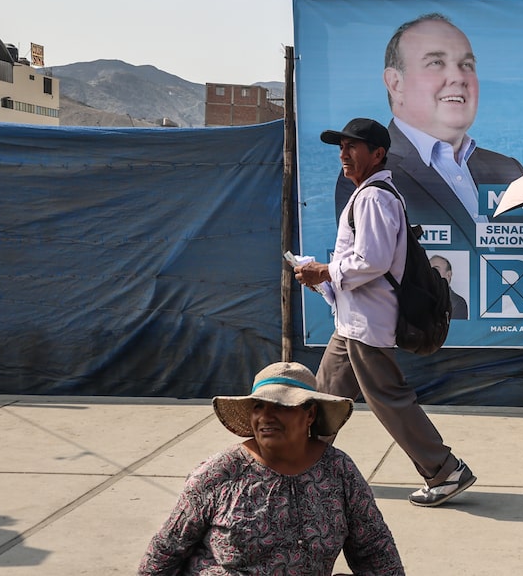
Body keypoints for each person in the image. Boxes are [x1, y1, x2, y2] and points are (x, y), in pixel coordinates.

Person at [296, 117, 476, 508]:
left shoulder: (374, 197)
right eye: (341, 147)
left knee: (390, 400)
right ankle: (303, 466)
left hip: (366, 324)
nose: (344, 154)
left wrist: (324, 271)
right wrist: (323, 280)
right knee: (326, 396)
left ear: (377, 153)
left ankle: (445, 470)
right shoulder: (369, 194)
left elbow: (372, 261)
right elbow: (365, 264)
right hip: (353, 322)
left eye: (352, 147)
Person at [139, 362, 403, 575]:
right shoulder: (219, 473)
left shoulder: (339, 471)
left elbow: (375, 550)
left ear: (309, 414)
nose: (266, 416)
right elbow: (167, 549)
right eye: (259, 406)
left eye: (280, 406)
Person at [335, 13, 523, 245]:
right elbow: (365, 259)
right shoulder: (368, 174)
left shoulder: (508, 170)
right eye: (436, 63)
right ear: (396, 83)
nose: (458, 77)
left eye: (467, 65)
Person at [429, 254, 468, 319]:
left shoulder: (457, 303)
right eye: (428, 269)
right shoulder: (418, 299)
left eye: (436, 270)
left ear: (448, 275)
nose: (431, 273)